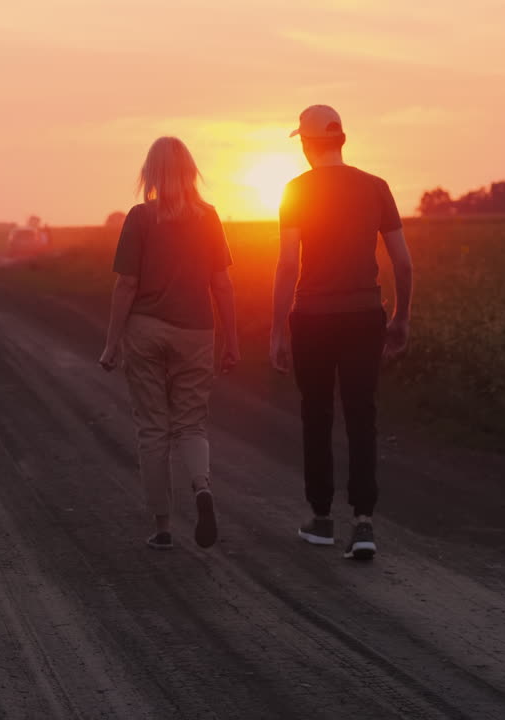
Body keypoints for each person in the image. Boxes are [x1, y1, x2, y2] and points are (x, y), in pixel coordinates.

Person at [271, 105, 414, 561]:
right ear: (342, 140)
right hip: (364, 315)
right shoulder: (376, 187)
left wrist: (276, 329)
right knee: (361, 415)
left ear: (309, 145)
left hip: (311, 317)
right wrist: (402, 317)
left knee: (317, 414)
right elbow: (404, 262)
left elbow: (288, 263)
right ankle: (364, 524)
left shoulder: (295, 190)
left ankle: (320, 518)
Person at [99, 137, 240, 551]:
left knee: (153, 429)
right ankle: (201, 488)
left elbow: (126, 284)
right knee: (191, 423)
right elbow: (223, 285)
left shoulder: (141, 218)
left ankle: (163, 528)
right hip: (197, 331)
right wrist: (231, 340)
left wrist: (111, 344)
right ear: (189, 171)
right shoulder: (209, 218)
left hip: (145, 331)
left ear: (151, 173)